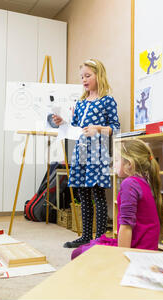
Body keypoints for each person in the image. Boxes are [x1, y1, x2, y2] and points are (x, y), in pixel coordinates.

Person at [52, 58, 120, 248]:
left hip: (98, 153)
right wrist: (62, 123)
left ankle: (99, 238)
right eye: (82, 76)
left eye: (88, 75)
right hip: (80, 153)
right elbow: (75, 128)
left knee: (97, 194)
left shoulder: (107, 100)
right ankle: (85, 236)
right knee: (82, 194)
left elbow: (115, 128)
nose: (84, 79)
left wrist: (98, 129)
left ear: (99, 75)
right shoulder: (81, 103)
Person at [71, 139, 163, 259]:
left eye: (116, 160)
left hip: (136, 252)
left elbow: (126, 227)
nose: (113, 164)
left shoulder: (129, 184)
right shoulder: (143, 182)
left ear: (129, 164)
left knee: (77, 254)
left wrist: (120, 260)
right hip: (145, 249)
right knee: (89, 246)